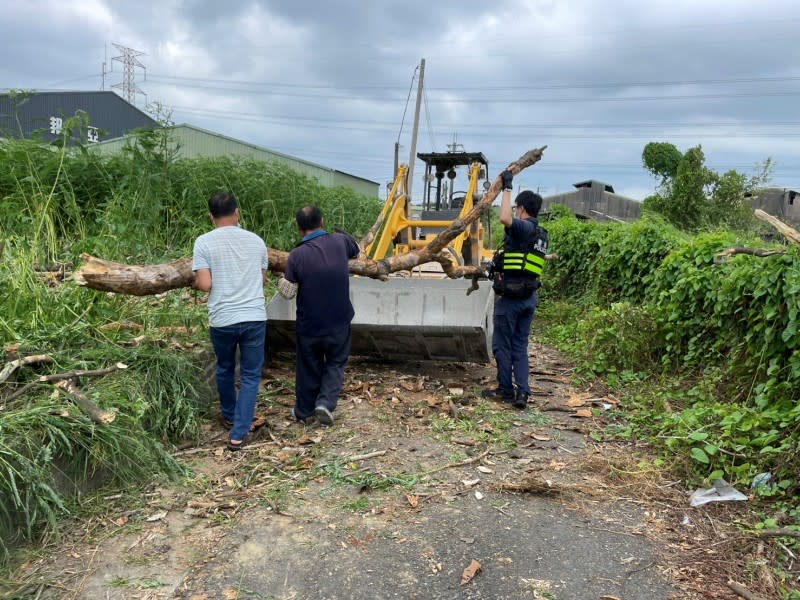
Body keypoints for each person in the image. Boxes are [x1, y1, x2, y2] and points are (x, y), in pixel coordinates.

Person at [192, 192, 268, 451]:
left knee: (224, 368)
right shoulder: (257, 241)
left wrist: (194, 279)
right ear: (237, 212)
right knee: (249, 375)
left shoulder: (203, 242)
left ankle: (229, 414)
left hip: (223, 318)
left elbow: (205, 284)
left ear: (210, 216)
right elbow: (262, 279)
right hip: (254, 317)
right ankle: (239, 432)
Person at [277, 205, 360, 426]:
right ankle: (325, 402)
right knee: (335, 362)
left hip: (310, 325)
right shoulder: (340, 242)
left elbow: (288, 292)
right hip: (339, 321)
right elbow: (357, 249)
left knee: (308, 367)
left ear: (298, 227)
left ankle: (304, 412)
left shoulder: (296, 255)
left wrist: (279, 279)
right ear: (322, 221)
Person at [483, 170, 548, 409]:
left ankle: (505, 391)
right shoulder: (541, 235)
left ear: (521, 209)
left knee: (502, 344)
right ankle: (523, 393)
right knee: (520, 345)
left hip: (511, 298)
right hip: (529, 297)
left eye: (516, 208)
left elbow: (503, 218)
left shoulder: (525, 228)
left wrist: (506, 188)